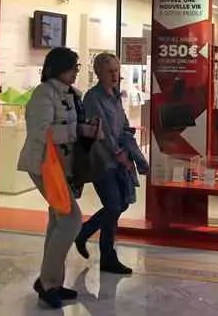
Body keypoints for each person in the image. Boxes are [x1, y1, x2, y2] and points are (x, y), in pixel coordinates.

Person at [17, 47, 88, 309]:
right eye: (71, 67)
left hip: (62, 167)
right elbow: (41, 131)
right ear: (57, 68)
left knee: (59, 219)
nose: (75, 72)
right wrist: (77, 131)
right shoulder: (43, 94)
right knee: (71, 219)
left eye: (76, 67)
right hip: (45, 165)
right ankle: (47, 282)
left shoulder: (73, 94)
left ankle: (52, 282)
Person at [75, 53, 149, 275]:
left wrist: (129, 150)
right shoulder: (93, 98)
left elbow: (122, 124)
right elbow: (102, 131)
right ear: (99, 73)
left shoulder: (115, 95)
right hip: (101, 160)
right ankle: (107, 256)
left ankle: (84, 232)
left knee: (122, 203)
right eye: (110, 71)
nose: (114, 75)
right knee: (114, 205)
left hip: (118, 158)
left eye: (116, 70)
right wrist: (118, 153)